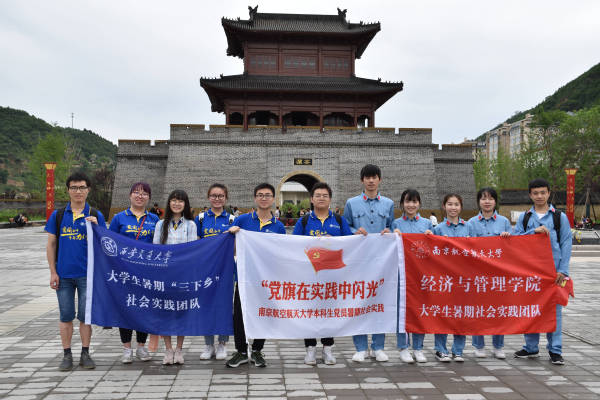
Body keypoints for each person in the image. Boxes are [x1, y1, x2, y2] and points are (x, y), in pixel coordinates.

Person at [45, 171, 106, 371]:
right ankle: (66, 354)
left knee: (85, 316)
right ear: (68, 190)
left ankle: (85, 353)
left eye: (82, 187)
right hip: (63, 275)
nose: (78, 191)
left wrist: (98, 229)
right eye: (74, 188)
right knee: (65, 315)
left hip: (88, 275)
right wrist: (53, 272)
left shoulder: (95, 215)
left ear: (88, 190)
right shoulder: (58, 215)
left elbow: (105, 245)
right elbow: (51, 244)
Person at [226, 183, 286, 368]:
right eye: (260, 195)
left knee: (263, 313)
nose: (264, 198)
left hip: (266, 279)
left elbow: (282, 252)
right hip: (244, 277)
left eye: (267, 195)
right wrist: (231, 234)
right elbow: (231, 249)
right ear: (255, 198)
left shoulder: (278, 226)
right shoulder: (242, 220)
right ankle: (241, 351)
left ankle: (258, 350)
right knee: (239, 315)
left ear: (273, 199)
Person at [292, 182, 353, 366]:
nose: (321, 198)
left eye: (325, 195)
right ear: (311, 199)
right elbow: (293, 245)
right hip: (310, 275)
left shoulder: (339, 220)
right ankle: (310, 349)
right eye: (317, 195)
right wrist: (313, 242)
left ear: (330, 199)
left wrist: (333, 241)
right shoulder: (304, 221)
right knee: (309, 312)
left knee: (329, 312)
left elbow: (350, 244)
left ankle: (328, 348)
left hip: (332, 276)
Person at [513, 178, 572, 365]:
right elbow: (515, 241)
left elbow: (566, 243)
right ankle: (531, 347)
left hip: (553, 274)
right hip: (530, 273)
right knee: (531, 310)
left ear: (549, 193)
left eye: (543, 192)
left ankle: (555, 350)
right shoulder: (525, 218)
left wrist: (563, 270)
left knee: (554, 312)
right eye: (536, 193)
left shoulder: (559, 217)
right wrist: (533, 233)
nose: (539, 196)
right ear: (530, 195)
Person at [343, 164, 394, 362]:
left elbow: (391, 226)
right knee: (359, 302)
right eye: (367, 177)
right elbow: (346, 226)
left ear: (380, 179)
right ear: (362, 180)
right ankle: (361, 347)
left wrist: (389, 232)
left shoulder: (388, 204)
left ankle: (378, 347)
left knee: (380, 303)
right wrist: (354, 231)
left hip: (382, 262)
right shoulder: (351, 203)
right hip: (359, 262)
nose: (371, 181)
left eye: (374, 177)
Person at [108, 182, 159, 364]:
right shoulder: (119, 218)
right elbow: (109, 243)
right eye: (136, 192)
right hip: (124, 273)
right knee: (126, 308)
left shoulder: (154, 219)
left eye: (144, 193)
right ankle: (126, 348)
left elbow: (159, 245)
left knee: (144, 307)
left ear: (149, 198)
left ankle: (141, 346)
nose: (140, 196)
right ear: (130, 195)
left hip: (146, 273)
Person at [153, 190, 197, 365]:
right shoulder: (160, 224)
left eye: (180, 201)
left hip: (183, 275)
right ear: (169, 203)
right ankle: (168, 349)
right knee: (165, 311)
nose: (177, 204)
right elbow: (156, 249)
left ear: (185, 204)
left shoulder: (191, 225)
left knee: (181, 311)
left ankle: (179, 349)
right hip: (164, 275)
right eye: (174, 200)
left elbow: (192, 250)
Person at [468, 187, 511, 360]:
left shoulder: (504, 222)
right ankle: (479, 346)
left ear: (495, 201)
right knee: (478, 310)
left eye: (491, 198)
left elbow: (513, 249)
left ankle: (498, 346)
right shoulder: (471, 223)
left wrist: (508, 238)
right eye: (483, 198)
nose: (487, 202)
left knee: (498, 311)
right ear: (478, 201)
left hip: (497, 275)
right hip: (478, 274)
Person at [392, 189, 433, 364]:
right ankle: (403, 347)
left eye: (414, 201)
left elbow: (435, 249)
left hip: (421, 274)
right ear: (402, 204)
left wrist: (431, 237)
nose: (411, 205)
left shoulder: (427, 224)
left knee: (420, 311)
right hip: (402, 274)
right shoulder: (396, 223)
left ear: (419, 204)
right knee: (402, 311)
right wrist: (393, 236)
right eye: (408, 201)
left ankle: (418, 348)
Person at [432, 193, 474, 363]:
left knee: (460, 314)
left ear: (461, 207)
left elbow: (479, 250)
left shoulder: (469, 227)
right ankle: (440, 349)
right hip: (444, 278)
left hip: (463, 278)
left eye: (456, 204)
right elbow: (432, 253)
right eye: (450, 204)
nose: (453, 207)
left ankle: (458, 350)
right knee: (442, 313)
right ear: (444, 206)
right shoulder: (438, 229)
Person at [195, 183, 234, 361]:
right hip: (205, 270)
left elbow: (236, 246)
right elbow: (196, 244)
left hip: (226, 270)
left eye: (220, 196)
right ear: (208, 197)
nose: (217, 199)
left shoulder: (232, 219)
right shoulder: (201, 218)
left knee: (224, 306)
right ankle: (208, 344)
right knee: (206, 306)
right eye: (214, 196)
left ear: (226, 198)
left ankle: (222, 344)